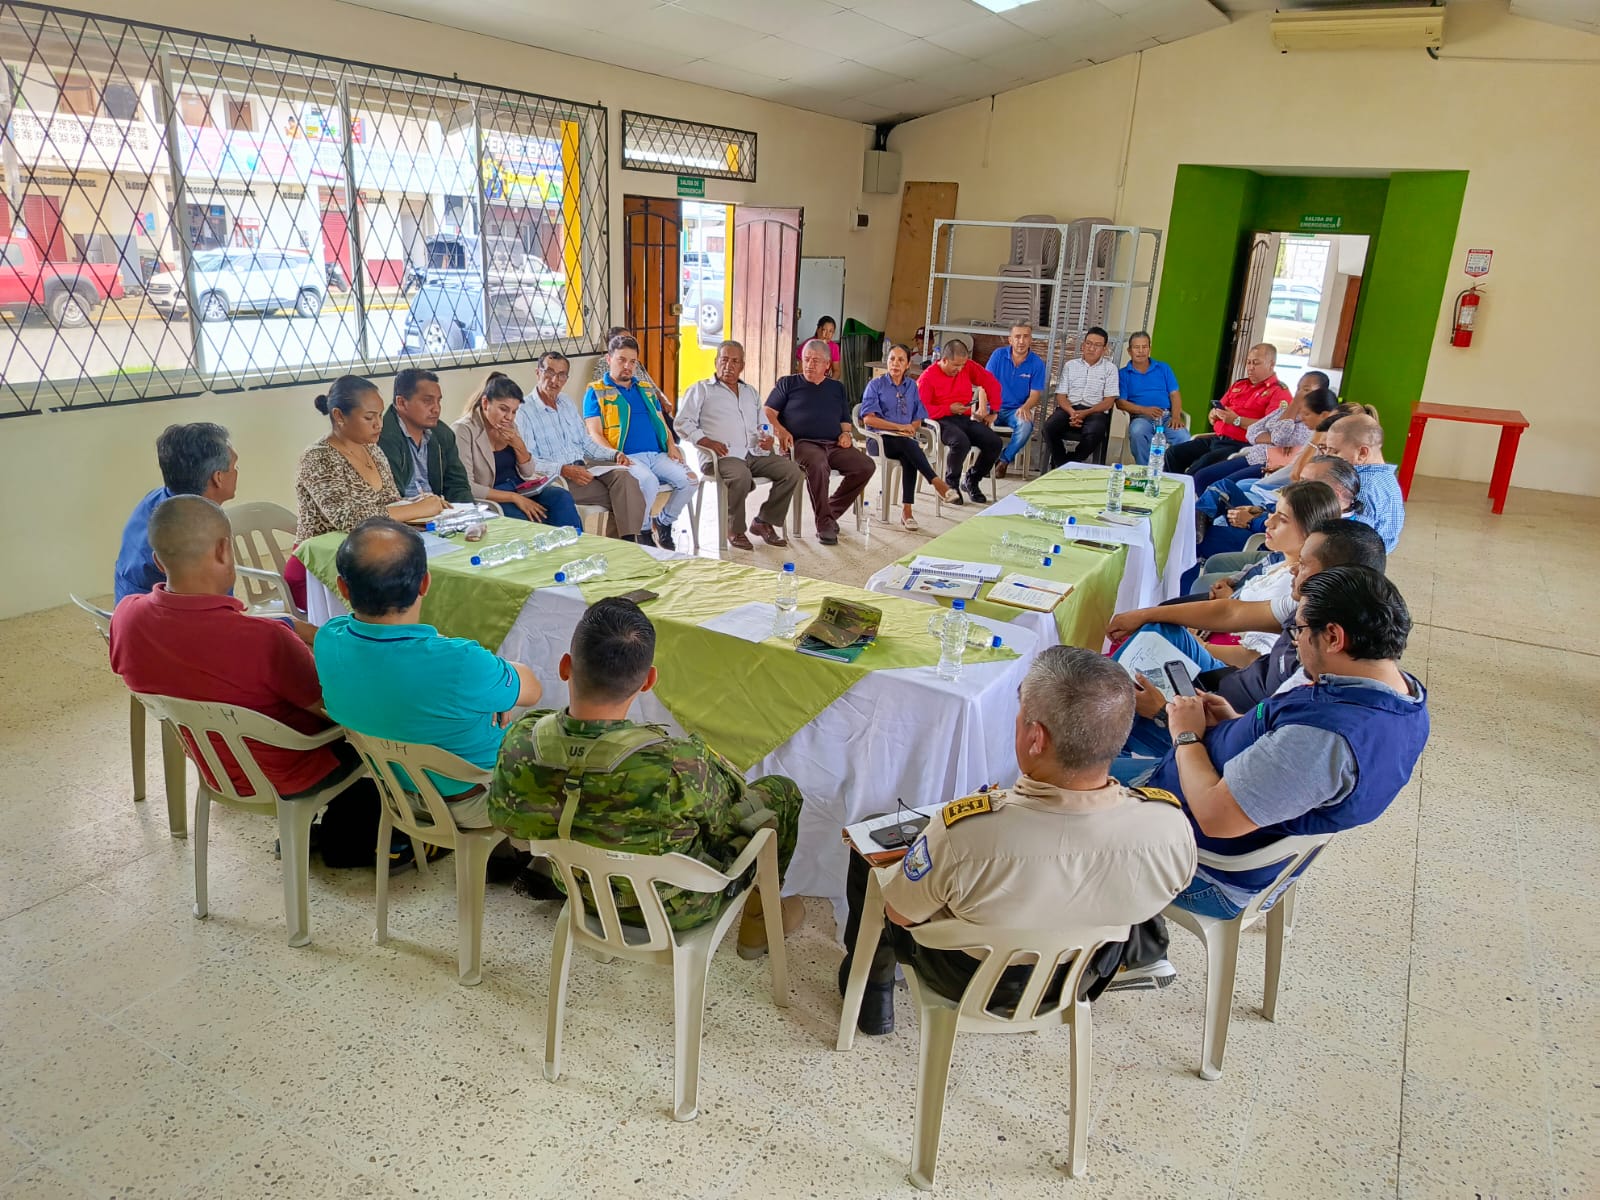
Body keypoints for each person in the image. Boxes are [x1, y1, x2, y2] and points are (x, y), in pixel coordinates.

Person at [839, 647, 1196, 1035]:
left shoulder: (965, 832)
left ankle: (873, 992)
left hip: (969, 978)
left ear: (1036, 737)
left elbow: (900, 914)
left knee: (871, 848)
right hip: (1082, 977)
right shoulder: (1168, 825)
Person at [489, 596, 805, 956]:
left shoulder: (524, 739)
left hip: (576, 891)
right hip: (675, 908)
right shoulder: (679, 765)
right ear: (649, 680)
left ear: (565, 667)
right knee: (781, 791)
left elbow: (504, 819)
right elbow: (727, 821)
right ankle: (759, 924)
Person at [1134, 566, 1428, 939]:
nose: (1295, 642)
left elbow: (1215, 818)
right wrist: (1235, 722)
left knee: (1070, 801)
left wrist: (1186, 735)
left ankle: (1119, 947)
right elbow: (1282, 766)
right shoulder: (1395, 693)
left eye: (1298, 631)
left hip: (1202, 864)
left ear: (1333, 637)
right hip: (1205, 800)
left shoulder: (1324, 738)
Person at [109, 496, 383, 867]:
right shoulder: (264, 642)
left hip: (214, 766)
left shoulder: (126, 618)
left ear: (159, 561)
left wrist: (286, 625)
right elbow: (334, 711)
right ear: (224, 550)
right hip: (293, 770)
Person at [314, 517, 543, 826]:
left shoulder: (329, 639)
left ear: (343, 587)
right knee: (545, 724)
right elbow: (533, 689)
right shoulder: (462, 662)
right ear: (425, 583)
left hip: (393, 791)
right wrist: (493, 686)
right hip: (474, 801)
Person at [1110, 519, 1387, 769]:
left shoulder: (1322, 660)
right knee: (1159, 631)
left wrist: (1163, 712)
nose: (1292, 570)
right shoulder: (1306, 605)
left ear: (1335, 578)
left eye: (1303, 564)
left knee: (1120, 712)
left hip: (1215, 729)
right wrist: (1145, 614)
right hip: (1222, 690)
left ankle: (1101, 746)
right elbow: (1231, 612)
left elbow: (1248, 749)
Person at [1114, 480, 1340, 677]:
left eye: (1282, 520)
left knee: (1159, 632)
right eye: (1271, 514)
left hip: (1230, 668)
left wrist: (1202, 646)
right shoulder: (1281, 563)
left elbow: (1254, 657)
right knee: (1155, 628)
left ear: (1309, 532)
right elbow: (1233, 609)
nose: (1268, 523)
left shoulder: (1293, 587)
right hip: (1219, 636)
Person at [291, 375, 447, 611]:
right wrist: (417, 509)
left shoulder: (373, 450)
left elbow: (389, 502)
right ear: (339, 416)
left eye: (380, 415)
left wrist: (416, 503)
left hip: (372, 557)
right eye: (369, 417)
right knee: (396, 601)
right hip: (321, 568)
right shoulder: (318, 457)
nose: (378, 424)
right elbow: (349, 519)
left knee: (423, 583)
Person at [676, 340, 805, 549]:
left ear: (742, 366)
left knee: (792, 471)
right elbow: (682, 422)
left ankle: (763, 521)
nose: (729, 366)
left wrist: (768, 438)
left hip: (753, 453)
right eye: (724, 360)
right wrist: (705, 440)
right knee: (740, 476)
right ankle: (734, 529)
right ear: (716, 362)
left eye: (735, 361)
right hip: (721, 456)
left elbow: (763, 423)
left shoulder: (749, 392)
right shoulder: (701, 389)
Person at [515, 351, 649, 543]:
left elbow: (585, 443)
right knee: (625, 496)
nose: (555, 380)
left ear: (566, 379)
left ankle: (625, 542)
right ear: (538, 372)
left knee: (625, 477)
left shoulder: (566, 402)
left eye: (561, 375)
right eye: (549, 372)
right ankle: (629, 543)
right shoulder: (524, 410)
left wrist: (614, 454)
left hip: (584, 468)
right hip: (558, 478)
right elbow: (528, 462)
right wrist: (564, 469)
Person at [583, 335, 697, 550]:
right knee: (648, 482)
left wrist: (671, 446)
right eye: (622, 360)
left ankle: (663, 522)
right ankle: (643, 530)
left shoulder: (645, 388)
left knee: (690, 481)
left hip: (657, 455)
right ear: (609, 359)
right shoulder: (596, 391)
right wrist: (615, 455)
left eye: (632, 361)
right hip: (627, 457)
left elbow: (661, 422)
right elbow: (594, 433)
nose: (627, 366)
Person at [764, 339, 874, 546]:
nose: (809, 364)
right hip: (802, 444)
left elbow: (845, 419)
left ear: (827, 364)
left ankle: (828, 514)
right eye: (806, 359)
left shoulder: (836, 388)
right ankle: (824, 524)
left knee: (865, 465)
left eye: (815, 360)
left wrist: (846, 434)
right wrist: (781, 430)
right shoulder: (788, 383)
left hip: (833, 444)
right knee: (818, 462)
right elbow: (768, 411)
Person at [114, 422, 239, 602]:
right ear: (218, 477)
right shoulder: (197, 536)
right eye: (234, 467)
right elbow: (215, 612)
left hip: (129, 608)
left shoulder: (156, 499)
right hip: (163, 616)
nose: (236, 472)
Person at [452, 373, 581, 531]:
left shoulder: (510, 426)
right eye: (503, 409)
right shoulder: (463, 430)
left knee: (561, 497)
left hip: (521, 487)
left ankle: (576, 542)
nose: (509, 417)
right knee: (528, 520)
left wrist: (518, 445)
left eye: (514, 411)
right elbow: (467, 486)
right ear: (485, 403)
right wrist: (514, 497)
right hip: (494, 496)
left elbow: (528, 472)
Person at [859, 343, 954, 531]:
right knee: (910, 446)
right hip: (878, 440)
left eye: (900, 360)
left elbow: (918, 417)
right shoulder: (876, 385)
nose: (895, 363)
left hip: (903, 440)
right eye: (892, 359)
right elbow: (869, 419)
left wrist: (912, 427)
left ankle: (907, 511)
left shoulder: (911, 386)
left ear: (908, 364)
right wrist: (899, 427)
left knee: (909, 452)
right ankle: (936, 482)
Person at [1189, 382, 1339, 496]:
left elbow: (1279, 438)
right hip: (1256, 455)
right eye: (1299, 389)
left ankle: (1208, 519)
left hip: (1270, 465)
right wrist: (1272, 437)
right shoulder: (1285, 411)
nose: (1300, 394)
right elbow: (1252, 432)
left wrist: (1293, 406)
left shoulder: (1316, 432)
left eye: (1305, 390)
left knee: (1222, 488)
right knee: (1202, 476)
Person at [1164, 344, 1292, 476]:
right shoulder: (1240, 385)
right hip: (1217, 439)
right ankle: (1169, 487)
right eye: (1248, 362)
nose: (1250, 367)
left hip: (1242, 445)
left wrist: (1237, 420)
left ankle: (1186, 488)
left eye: (1256, 363)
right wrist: (1214, 414)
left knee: (1198, 468)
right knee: (1173, 453)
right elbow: (1219, 410)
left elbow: (1272, 429)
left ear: (1271, 364)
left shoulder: (1278, 392)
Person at [916, 339, 1003, 503]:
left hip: (962, 417)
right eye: (956, 365)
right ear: (944, 360)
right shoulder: (927, 377)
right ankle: (951, 485)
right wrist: (948, 408)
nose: (960, 369)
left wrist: (994, 410)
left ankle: (971, 480)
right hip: (938, 420)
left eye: (962, 365)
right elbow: (922, 410)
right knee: (961, 442)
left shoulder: (967, 366)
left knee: (994, 442)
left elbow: (991, 383)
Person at [377, 368, 473, 504]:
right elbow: (390, 499)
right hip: (405, 513)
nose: (436, 409)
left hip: (441, 512)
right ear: (401, 403)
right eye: (427, 401)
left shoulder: (443, 434)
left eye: (438, 401)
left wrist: (468, 513)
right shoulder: (382, 437)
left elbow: (458, 485)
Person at [1321, 413, 1405, 551]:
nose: (1328, 458)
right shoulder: (1388, 479)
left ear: (1362, 453)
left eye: (1335, 452)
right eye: (1326, 450)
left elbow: (1352, 543)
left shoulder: (1360, 487)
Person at [1043, 326, 1119, 467]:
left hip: (1094, 411)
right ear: (1083, 345)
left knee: (1094, 433)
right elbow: (1061, 395)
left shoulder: (1110, 369)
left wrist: (1085, 413)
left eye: (1097, 345)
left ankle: (1071, 462)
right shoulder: (1070, 365)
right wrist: (1072, 412)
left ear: (1104, 349)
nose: (1091, 348)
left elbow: (1109, 402)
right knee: (1049, 427)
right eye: (1088, 343)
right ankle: (1062, 462)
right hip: (1069, 409)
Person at [983, 323, 1049, 478]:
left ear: (1031, 339)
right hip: (993, 408)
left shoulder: (1037, 363)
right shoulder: (998, 355)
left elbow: (1035, 394)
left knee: (1026, 425)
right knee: (974, 423)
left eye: (1026, 336)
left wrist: (1026, 407)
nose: (1021, 341)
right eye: (1017, 336)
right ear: (1010, 340)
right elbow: (985, 384)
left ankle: (1003, 461)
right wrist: (984, 408)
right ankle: (983, 463)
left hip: (1016, 410)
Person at [1117, 332, 1192, 465]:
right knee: (1137, 432)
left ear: (1149, 349)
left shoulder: (1163, 368)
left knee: (1183, 436)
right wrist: (1144, 410)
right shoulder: (1123, 374)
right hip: (1141, 418)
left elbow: (1175, 394)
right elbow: (1120, 403)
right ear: (1129, 351)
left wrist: (1175, 417)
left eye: (1144, 347)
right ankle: (1145, 469)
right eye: (1136, 347)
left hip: (1166, 417)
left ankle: (1174, 471)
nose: (1141, 351)